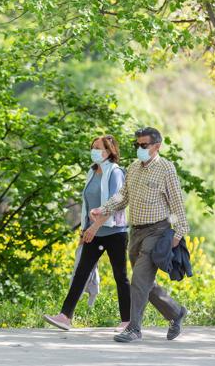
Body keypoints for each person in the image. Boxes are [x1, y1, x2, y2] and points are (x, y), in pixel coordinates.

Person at [90, 127, 189, 343]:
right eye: (137, 145)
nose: (139, 148)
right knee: (144, 282)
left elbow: (176, 203)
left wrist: (179, 233)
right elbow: (122, 197)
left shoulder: (166, 168)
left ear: (156, 146)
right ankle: (176, 312)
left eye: (144, 145)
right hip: (136, 232)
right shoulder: (133, 168)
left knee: (139, 279)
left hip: (158, 231)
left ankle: (134, 329)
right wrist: (103, 209)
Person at [42, 135, 131, 331]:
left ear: (108, 152)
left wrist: (94, 227)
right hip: (93, 232)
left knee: (120, 276)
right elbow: (87, 204)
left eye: (98, 147)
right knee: (81, 272)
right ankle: (65, 316)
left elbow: (115, 203)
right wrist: (84, 230)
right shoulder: (91, 172)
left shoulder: (116, 173)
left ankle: (127, 321)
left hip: (115, 232)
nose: (94, 150)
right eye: (92, 147)